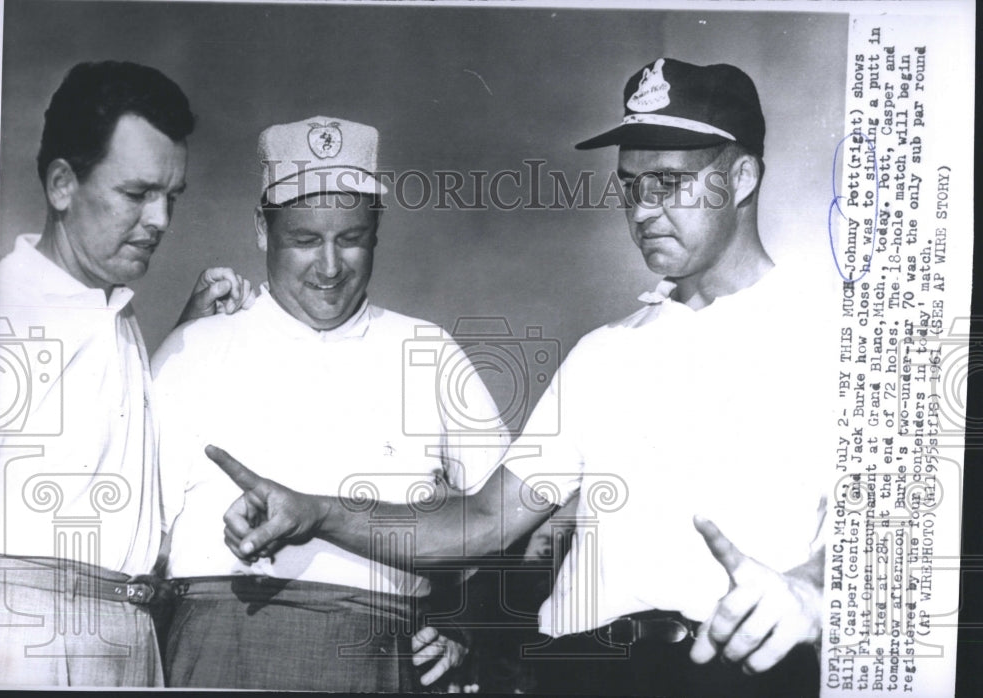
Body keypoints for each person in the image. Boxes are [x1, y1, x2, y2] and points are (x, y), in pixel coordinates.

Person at [208, 58, 837, 697]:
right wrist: (316, 512)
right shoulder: (606, 352)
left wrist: (812, 590)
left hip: (737, 674)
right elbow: (484, 520)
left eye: (669, 183)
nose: (643, 210)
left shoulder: (840, 342)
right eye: (630, 186)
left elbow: (895, 536)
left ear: (743, 177)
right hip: (580, 671)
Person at [150, 115, 510, 691]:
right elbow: (142, 541)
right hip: (217, 656)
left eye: (350, 238)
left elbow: (513, 521)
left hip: (381, 659)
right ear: (263, 231)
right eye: (304, 240)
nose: (329, 267)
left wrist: (464, 618)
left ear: (377, 231)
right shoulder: (195, 345)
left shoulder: (427, 349)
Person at [0, 60, 253, 687]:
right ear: (61, 185)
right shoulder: (2, 310)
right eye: (136, 194)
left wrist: (185, 334)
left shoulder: (114, 312)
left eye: (171, 197)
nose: (159, 220)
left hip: (130, 639)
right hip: (23, 646)